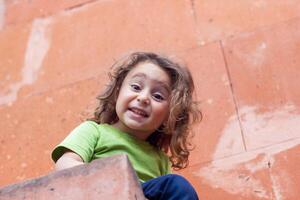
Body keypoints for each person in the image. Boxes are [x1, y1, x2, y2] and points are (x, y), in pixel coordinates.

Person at [51, 52, 201, 200]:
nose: (143, 98)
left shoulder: (160, 160)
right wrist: (106, 181)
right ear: (117, 92)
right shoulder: (94, 131)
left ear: (170, 115)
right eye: (136, 87)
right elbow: (64, 164)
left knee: (176, 186)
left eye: (157, 96)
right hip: (100, 193)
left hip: (142, 194)